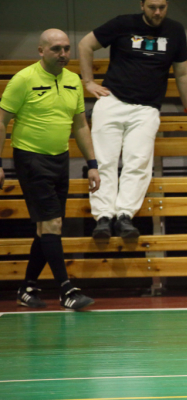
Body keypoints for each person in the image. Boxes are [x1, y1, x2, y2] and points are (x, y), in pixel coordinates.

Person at [79, 0, 187, 239]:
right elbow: (85, 44)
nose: (157, 12)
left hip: (147, 108)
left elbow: (182, 71)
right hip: (112, 100)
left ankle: (125, 215)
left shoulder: (175, 30)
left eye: (162, 6)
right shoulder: (123, 23)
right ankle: (103, 217)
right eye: (152, 7)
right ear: (142, 5)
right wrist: (88, 82)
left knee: (138, 162)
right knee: (104, 161)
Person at [0, 29, 101, 310]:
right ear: (41, 51)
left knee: (46, 228)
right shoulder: (23, 79)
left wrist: (92, 165)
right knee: (52, 224)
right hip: (30, 158)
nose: (63, 54)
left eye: (66, 48)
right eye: (56, 49)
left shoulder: (73, 81)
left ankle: (27, 287)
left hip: (60, 160)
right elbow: (1, 121)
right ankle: (67, 290)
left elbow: (80, 125)